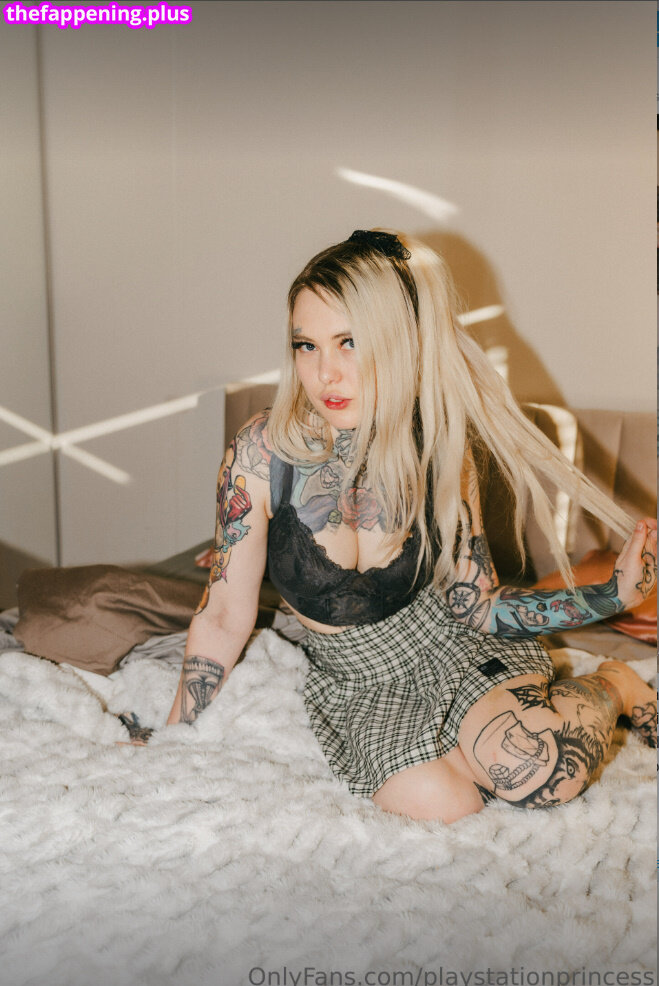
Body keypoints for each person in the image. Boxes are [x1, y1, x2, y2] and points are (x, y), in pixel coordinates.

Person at [164, 229, 657, 824]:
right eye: (306, 345)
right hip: (360, 678)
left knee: (538, 776)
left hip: (448, 644)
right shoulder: (260, 454)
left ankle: (614, 683)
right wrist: (172, 742)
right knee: (445, 804)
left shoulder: (439, 448)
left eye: (349, 342)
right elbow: (222, 614)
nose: (325, 374)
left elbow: (478, 607)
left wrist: (609, 597)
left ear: (399, 343)